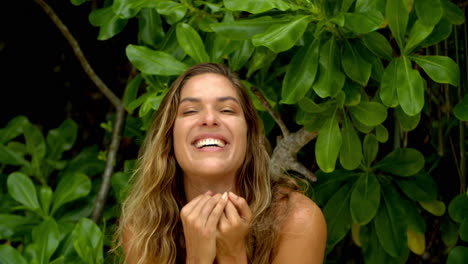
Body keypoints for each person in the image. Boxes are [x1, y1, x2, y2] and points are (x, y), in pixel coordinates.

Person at [115, 63, 327, 264]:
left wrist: (232, 254)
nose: (209, 119)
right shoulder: (143, 229)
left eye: (227, 110)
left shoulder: (297, 221)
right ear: (168, 137)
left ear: (249, 135)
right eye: (190, 111)